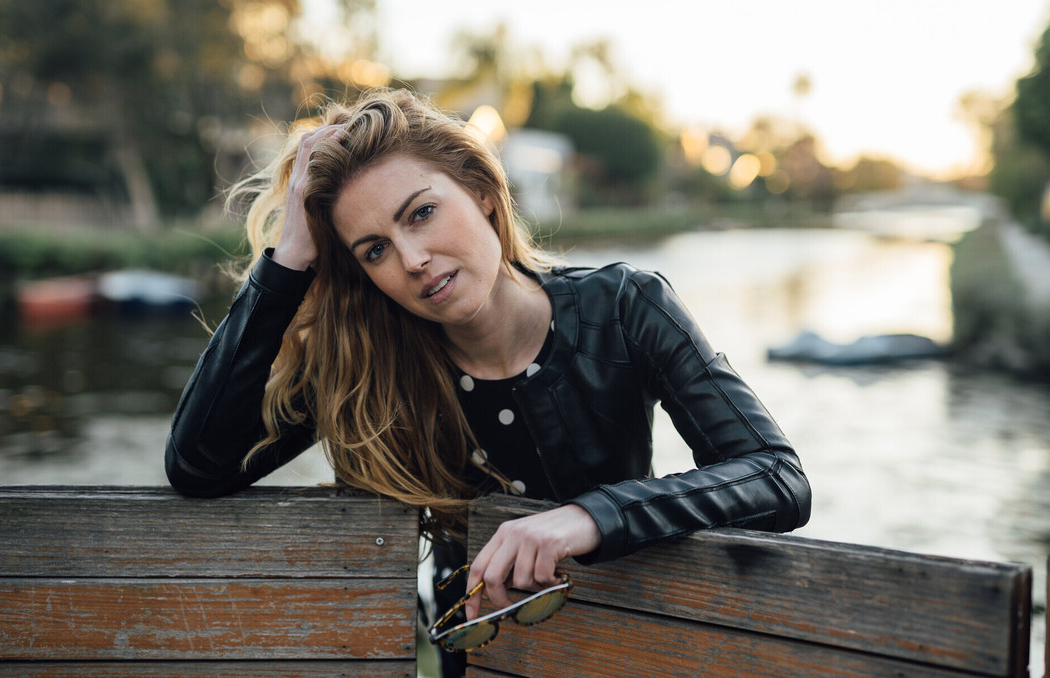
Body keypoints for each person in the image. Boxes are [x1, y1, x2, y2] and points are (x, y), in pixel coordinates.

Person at [165, 88, 811, 675]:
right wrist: (289, 259)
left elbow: (777, 476)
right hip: (477, 665)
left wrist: (587, 518)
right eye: (374, 250)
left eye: (421, 213)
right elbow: (200, 465)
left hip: (627, 649)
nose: (413, 259)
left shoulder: (624, 305)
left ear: (481, 192)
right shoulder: (369, 368)